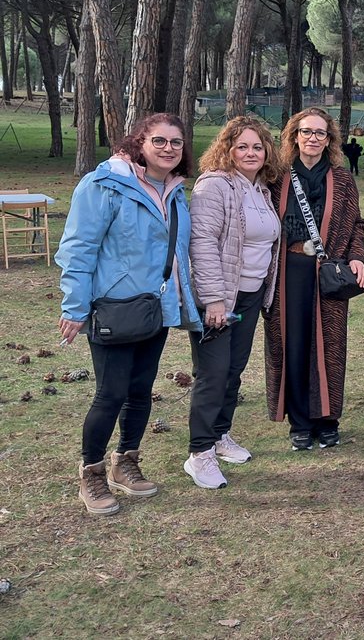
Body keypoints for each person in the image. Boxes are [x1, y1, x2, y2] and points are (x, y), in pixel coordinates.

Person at [56, 113, 201, 515]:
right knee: (110, 393)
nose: (168, 148)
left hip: (154, 308)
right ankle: (92, 473)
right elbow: (78, 249)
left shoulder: (175, 190)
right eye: (159, 140)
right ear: (140, 142)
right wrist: (74, 306)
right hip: (113, 309)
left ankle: (126, 462)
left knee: (140, 391)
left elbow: (178, 254)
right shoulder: (103, 185)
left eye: (175, 142)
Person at [185, 115, 283, 489]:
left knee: (233, 371)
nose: (250, 152)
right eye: (242, 146)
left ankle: (219, 435)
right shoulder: (214, 186)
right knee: (212, 374)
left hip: (250, 294)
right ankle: (199, 454)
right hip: (218, 297)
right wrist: (212, 300)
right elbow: (203, 244)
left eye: (257, 146)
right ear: (227, 148)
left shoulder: (261, 189)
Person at [264, 107, 364, 451]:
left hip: (329, 271)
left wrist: (357, 258)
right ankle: (300, 422)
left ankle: (327, 420)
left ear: (329, 139)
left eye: (320, 133)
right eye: (306, 132)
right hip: (288, 271)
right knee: (291, 344)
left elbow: (355, 224)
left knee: (330, 346)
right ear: (294, 136)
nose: (312, 138)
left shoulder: (341, 178)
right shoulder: (275, 176)